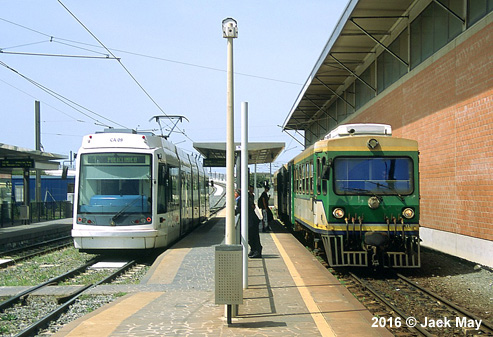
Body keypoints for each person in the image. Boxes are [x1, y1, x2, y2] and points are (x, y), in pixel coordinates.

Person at [248, 185, 262, 258]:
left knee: (254, 236)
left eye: (252, 189)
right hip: (252, 220)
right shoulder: (249, 196)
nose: (251, 191)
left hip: (252, 220)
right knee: (251, 237)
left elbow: (252, 206)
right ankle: (253, 250)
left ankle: (257, 251)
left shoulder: (249, 196)